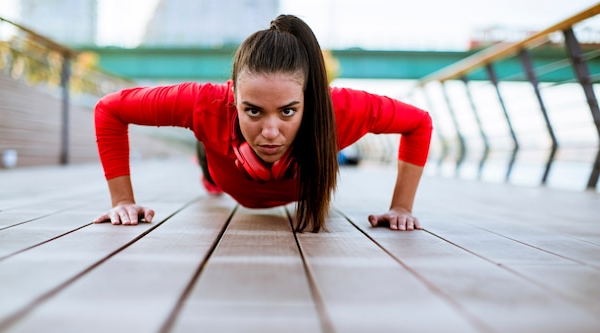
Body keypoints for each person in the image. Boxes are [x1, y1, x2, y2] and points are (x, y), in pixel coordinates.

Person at [93, 14, 432, 233]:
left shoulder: (341, 109)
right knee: (206, 136)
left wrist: (401, 207)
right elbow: (110, 110)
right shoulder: (205, 102)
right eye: (253, 110)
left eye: (287, 111)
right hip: (222, 170)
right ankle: (207, 160)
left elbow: (419, 123)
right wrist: (123, 201)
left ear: (308, 101)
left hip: (294, 181)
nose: (270, 132)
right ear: (234, 94)